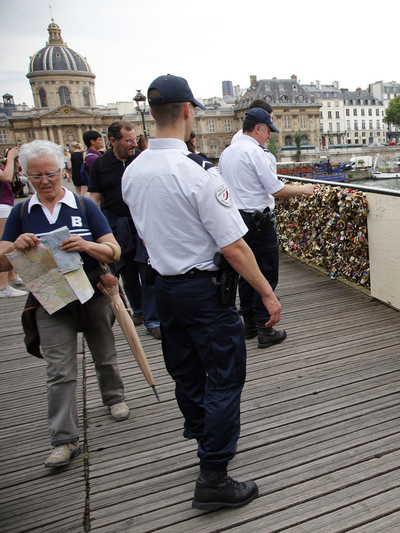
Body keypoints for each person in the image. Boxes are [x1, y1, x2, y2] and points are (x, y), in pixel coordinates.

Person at [122, 74, 281, 511]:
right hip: (204, 292)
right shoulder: (198, 173)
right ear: (188, 111)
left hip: (165, 288)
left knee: (187, 373)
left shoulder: (133, 172)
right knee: (225, 377)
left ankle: (204, 441)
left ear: (152, 112)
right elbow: (234, 247)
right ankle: (213, 475)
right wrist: (267, 294)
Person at [0, 139, 129, 468]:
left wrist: (86, 246)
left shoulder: (84, 207)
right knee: (59, 370)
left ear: (63, 171)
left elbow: (113, 251)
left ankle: (113, 397)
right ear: (25, 175)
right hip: (50, 299)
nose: (44, 181)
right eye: (35, 175)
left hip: (92, 293)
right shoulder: (21, 212)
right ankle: (63, 439)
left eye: (51, 173)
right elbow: (1, 261)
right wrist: (14, 247)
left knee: (105, 354)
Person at [219, 107, 314, 347]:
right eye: (268, 130)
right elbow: (276, 189)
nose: (269, 136)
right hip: (258, 221)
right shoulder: (256, 152)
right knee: (265, 271)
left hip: (236, 219)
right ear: (257, 128)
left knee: (245, 272)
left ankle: (249, 324)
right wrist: (304, 189)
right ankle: (265, 328)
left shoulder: (227, 153)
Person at [89, 121, 160, 338]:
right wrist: (94, 228)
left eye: (134, 139)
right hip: (116, 224)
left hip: (142, 221)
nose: (134, 144)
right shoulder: (100, 165)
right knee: (126, 271)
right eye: (128, 140)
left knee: (147, 270)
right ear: (113, 141)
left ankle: (153, 320)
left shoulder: (142, 159)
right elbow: (95, 198)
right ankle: (138, 309)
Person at [0, 146, 28, 297]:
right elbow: (6, 177)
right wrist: (10, 157)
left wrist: (13, 163)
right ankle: (2, 286)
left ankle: (11, 277)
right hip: (1, 206)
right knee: (3, 243)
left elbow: (11, 177)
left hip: (5, 203)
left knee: (10, 239)